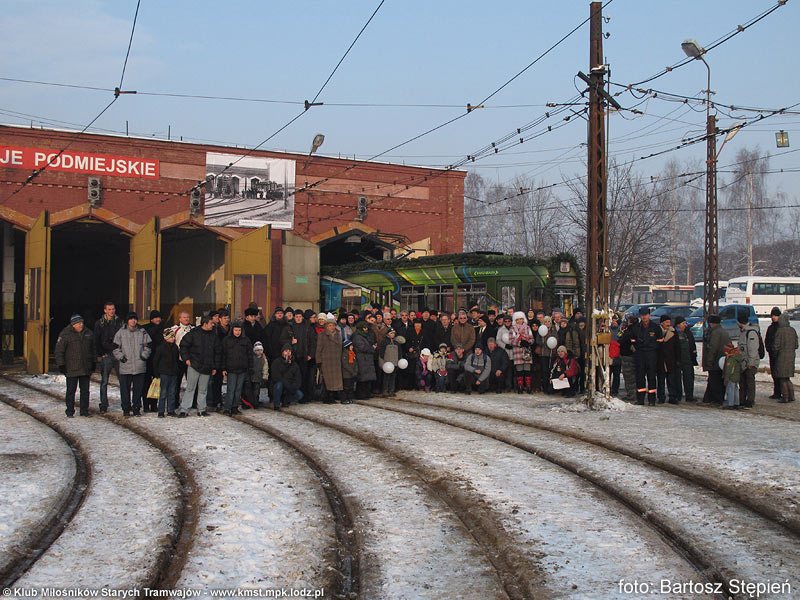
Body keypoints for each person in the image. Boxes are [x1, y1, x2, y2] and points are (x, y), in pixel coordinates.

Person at [178, 314, 221, 417]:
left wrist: (215, 366)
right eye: (211, 323)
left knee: (203, 389)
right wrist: (186, 359)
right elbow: (183, 345)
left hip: (207, 366)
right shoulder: (194, 333)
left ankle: (201, 409)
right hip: (194, 364)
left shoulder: (213, 335)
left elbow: (218, 352)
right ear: (205, 323)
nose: (213, 325)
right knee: (190, 388)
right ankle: (184, 409)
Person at [55, 314, 96, 418]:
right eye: (78, 323)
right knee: (71, 391)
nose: (81, 325)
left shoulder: (89, 333)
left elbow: (93, 349)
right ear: (73, 324)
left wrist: (93, 362)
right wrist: (61, 364)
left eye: (81, 322)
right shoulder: (65, 334)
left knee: (85, 391)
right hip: (71, 368)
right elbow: (59, 351)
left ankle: (84, 411)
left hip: (85, 368)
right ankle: (69, 411)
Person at [113, 312, 153, 417]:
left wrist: (144, 356)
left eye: (135, 319)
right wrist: (121, 357)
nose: (133, 321)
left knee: (138, 389)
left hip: (139, 366)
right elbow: (115, 347)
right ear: (127, 321)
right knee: (125, 390)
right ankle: (126, 409)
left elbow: (148, 345)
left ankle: (136, 408)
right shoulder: (120, 332)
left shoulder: (142, 331)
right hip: (125, 366)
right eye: (131, 319)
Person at [627, 308, 662, 406]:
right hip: (640, 355)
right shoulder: (636, 327)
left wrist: (650, 346)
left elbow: (660, 342)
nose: (644, 317)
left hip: (651, 355)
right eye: (642, 315)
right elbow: (633, 340)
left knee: (651, 377)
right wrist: (640, 346)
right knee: (640, 377)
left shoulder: (655, 327)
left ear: (649, 315)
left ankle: (652, 400)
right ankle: (640, 399)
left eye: (646, 315)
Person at [94, 301, 122, 413]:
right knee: (104, 381)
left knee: (122, 381)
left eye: (113, 309)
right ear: (105, 310)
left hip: (118, 353)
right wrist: (100, 353)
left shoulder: (120, 322)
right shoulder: (99, 323)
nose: (112, 311)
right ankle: (103, 404)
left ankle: (125, 403)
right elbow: (96, 339)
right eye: (109, 309)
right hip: (106, 354)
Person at [221, 320, 253, 416]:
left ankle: (235, 407)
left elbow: (249, 355)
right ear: (232, 330)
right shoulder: (227, 340)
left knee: (238, 389)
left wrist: (250, 367)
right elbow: (223, 355)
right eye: (236, 330)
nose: (237, 332)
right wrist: (223, 368)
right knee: (231, 389)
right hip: (231, 368)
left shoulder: (246, 340)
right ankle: (227, 407)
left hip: (242, 368)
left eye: (239, 330)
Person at [153, 326, 181, 417]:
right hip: (164, 372)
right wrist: (156, 373)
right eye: (171, 337)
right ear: (166, 338)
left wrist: (177, 369)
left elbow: (176, 360)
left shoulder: (175, 347)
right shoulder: (161, 348)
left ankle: (171, 410)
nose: (173, 338)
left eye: (173, 336)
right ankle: (161, 411)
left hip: (173, 372)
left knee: (172, 392)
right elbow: (156, 361)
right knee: (163, 392)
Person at [702, 314, 729, 406]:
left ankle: (717, 400)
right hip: (722, 360)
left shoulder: (715, 333)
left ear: (711, 323)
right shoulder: (724, 331)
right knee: (717, 380)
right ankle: (708, 398)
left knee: (715, 381)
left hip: (715, 360)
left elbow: (713, 348)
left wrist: (709, 361)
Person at [316, 319, 344, 403]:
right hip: (326, 361)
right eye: (330, 325)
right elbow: (319, 349)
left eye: (333, 325)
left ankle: (334, 396)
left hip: (336, 361)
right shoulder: (322, 335)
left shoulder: (338, 335)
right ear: (326, 326)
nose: (332, 327)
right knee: (327, 380)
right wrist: (319, 361)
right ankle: (327, 397)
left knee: (336, 380)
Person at [737, 313, 761, 409]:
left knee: (749, 382)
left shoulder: (750, 333)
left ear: (740, 322)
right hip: (743, 362)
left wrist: (750, 363)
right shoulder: (743, 332)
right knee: (742, 383)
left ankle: (750, 401)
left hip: (750, 363)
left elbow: (753, 349)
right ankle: (742, 401)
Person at [142, 310, 165, 413]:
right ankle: (146, 404)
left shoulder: (163, 329)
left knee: (156, 382)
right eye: (156, 317)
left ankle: (154, 404)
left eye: (159, 317)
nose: (158, 319)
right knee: (146, 382)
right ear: (151, 319)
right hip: (148, 359)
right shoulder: (145, 329)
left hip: (159, 359)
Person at [773, 311, 798, 403]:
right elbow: (796, 345)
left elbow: (776, 345)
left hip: (781, 357)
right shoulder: (792, 330)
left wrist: (774, 353)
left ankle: (785, 397)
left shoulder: (780, 331)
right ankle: (791, 396)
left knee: (782, 378)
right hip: (791, 357)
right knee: (787, 378)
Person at [656, 315, 680, 404]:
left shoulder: (673, 332)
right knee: (660, 380)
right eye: (666, 322)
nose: (668, 324)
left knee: (671, 381)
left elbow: (677, 347)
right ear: (661, 323)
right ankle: (661, 397)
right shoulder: (657, 331)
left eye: (669, 322)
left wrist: (678, 359)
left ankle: (672, 396)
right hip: (660, 360)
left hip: (670, 360)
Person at [509, 311, 534, 394]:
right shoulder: (512, 329)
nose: (519, 321)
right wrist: (519, 343)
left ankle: (528, 386)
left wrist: (528, 342)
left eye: (521, 319)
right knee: (519, 370)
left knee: (527, 370)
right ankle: (520, 386)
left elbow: (532, 339)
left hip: (526, 352)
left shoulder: (527, 328)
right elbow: (511, 341)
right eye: (518, 319)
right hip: (517, 352)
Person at [271, 345, 303, 409]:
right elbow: (275, 376)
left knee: (300, 395)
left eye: (289, 351)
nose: (288, 353)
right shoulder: (277, 362)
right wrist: (286, 384)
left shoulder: (294, 365)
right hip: (280, 386)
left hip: (289, 387)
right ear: (282, 352)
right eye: (286, 351)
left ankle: (285, 401)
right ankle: (276, 404)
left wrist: (292, 387)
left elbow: (298, 379)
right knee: (278, 385)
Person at [673, 316, 697, 402]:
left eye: (685, 323)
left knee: (689, 378)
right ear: (678, 324)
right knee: (677, 379)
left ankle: (689, 396)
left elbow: (692, 345)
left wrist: (694, 356)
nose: (685, 325)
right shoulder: (673, 333)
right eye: (683, 323)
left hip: (688, 359)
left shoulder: (688, 332)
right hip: (677, 359)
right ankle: (677, 396)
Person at [173, 310, 194, 408]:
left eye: (188, 317)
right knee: (177, 382)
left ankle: (192, 402)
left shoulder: (193, 329)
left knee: (192, 382)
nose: (186, 319)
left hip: (191, 359)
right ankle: (175, 402)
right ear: (180, 318)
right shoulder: (174, 329)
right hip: (178, 360)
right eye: (184, 317)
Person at [352, 321, 377, 399]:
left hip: (367, 359)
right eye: (364, 328)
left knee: (367, 378)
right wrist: (372, 348)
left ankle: (366, 393)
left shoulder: (365, 336)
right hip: (361, 359)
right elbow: (362, 347)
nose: (366, 329)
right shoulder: (357, 336)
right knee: (362, 378)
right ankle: (361, 394)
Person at [619, 315, 638, 402]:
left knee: (629, 377)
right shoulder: (637, 329)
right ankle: (634, 394)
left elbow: (622, 340)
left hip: (628, 356)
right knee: (634, 377)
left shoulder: (630, 331)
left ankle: (632, 395)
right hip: (633, 356)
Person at [765, 307, 783, 400]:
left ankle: (781, 392)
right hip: (772, 353)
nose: (773, 317)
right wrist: (769, 348)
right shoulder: (771, 328)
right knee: (774, 373)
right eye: (772, 315)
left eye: (775, 315)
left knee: (780, 374)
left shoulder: (782, 328)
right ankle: (777, 392)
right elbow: (767, 340)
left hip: (780, 354)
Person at [378, 327, 402, 396]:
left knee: (393, 377)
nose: (393, 335)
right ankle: (385, 390)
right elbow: (381, 353)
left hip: (395, 363)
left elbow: (400, 353)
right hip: (387, 364)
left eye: (394, 333)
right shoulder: (384, 342)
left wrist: (399, 361)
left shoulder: (396, 342)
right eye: (391, 333)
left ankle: (391, 390)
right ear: (388, 334)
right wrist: (382, 363)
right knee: (386, 378)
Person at [246, 342, 269, 408]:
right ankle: (251, 402)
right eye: (257, 350)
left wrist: (265, 376)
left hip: (258, 377)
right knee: (250, 391)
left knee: (257, 391)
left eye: (260, 350)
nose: (259, 352)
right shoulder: (251, 357)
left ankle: (256, 403)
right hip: (251, 376)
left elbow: (265, 368)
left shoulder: (263, 358)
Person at [722, 342, 743, 410]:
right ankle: (736, 403)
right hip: (736, 376)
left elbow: (729, 370)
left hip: (731, 377)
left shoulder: (731, 358)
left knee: (730, 390)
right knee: (736, 389)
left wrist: (726, 378)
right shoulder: (737, 356)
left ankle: (730, 404)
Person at [340, 339, 358, 404]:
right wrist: (352, 371)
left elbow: (355, 363)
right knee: (346, 387)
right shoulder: (345, 354)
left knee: (351, 387)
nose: (352, 347)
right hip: (346, 374)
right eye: (351, 346)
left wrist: (355, 370)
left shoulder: (352, 353)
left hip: (352, 374)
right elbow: (345, 365)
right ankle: (344, 399)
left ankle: (350, 398)